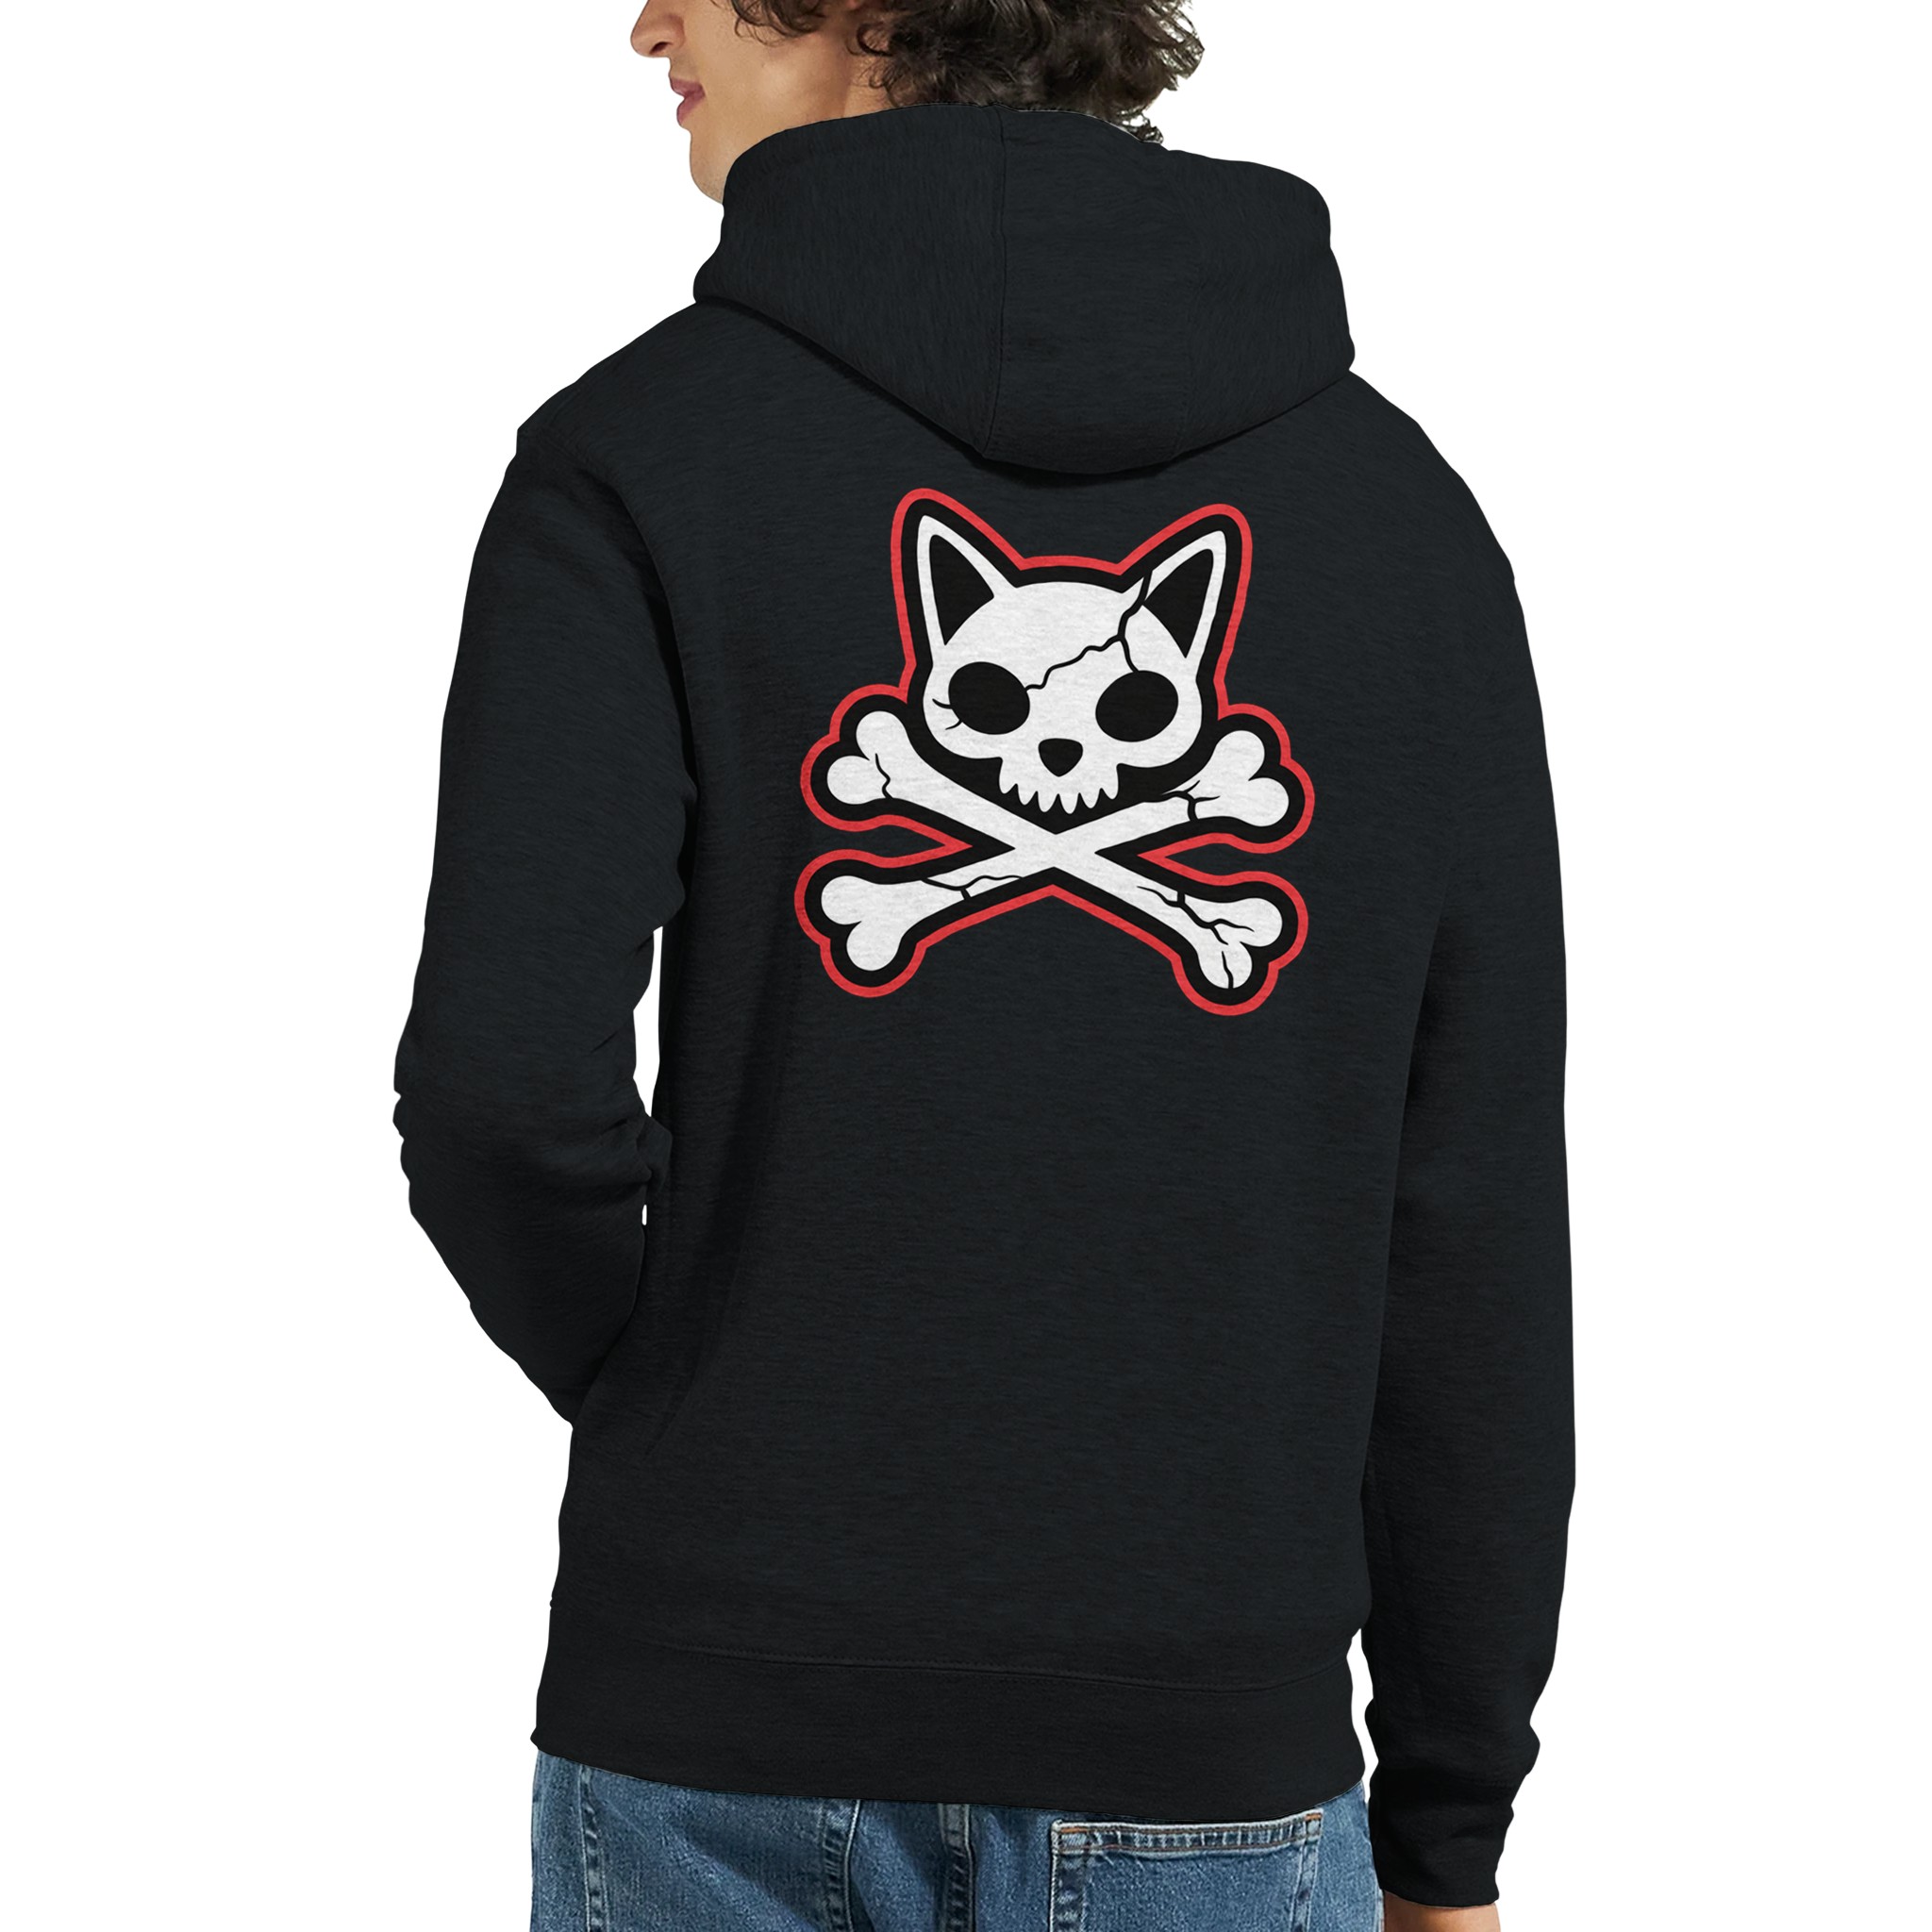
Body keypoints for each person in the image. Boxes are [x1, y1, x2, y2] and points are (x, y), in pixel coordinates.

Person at [394, 3, 1572, 1927]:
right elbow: (1468, 1221)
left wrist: (696, 1407)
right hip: (1210, 1756)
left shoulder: (636, 457)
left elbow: (497, 1099)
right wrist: (1452, 1821)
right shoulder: (1401, 522)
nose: (642, 22)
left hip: (713, 1718)